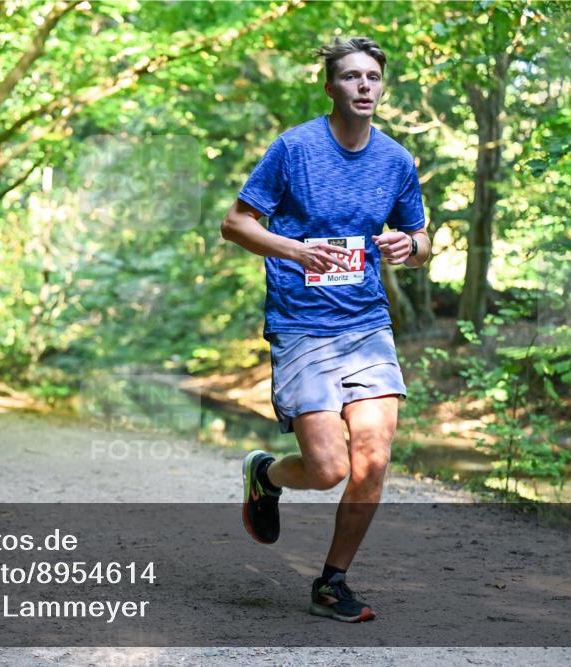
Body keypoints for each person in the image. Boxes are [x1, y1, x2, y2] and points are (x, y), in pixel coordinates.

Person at [221, 36, 431, 623]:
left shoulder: (396, 160)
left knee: (373, 457)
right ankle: (266, 475)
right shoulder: (295, 148)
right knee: (328, 469)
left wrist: (409, 246)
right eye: (351, 76)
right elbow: (235, 224)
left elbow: (422, 241)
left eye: (373, 77)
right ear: (330, 86)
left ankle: (332, 583)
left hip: (366, 323)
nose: (364, 85)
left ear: (382, 88)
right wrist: (295, 250)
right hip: (302, 324)